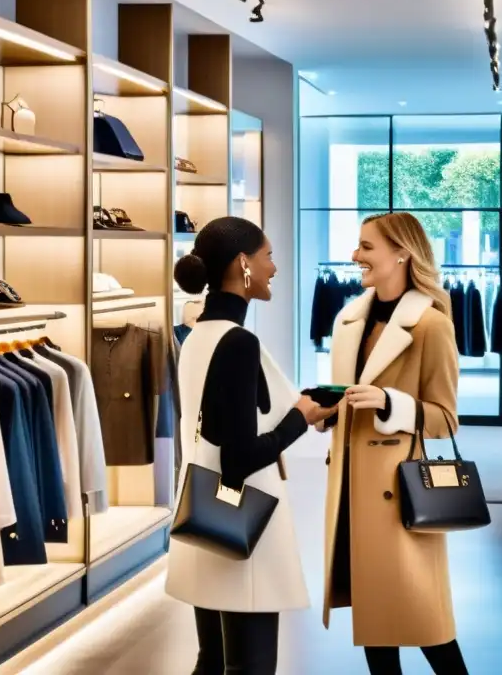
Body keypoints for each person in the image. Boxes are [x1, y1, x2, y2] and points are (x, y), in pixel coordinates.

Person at [165, 216, 332, 675]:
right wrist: (300, 419)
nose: (274, 268)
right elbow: (238, 458)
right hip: (244, 527)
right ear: (244, 264)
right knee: (248, 667)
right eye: (268, 256)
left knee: (214, 661)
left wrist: (297, 408)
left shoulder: (197, 335)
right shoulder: (238, 342)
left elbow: (219, 427)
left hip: (204, 515)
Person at [318, 212, 469, 675]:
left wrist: (390, 403)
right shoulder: (350, 318)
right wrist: (328, 410)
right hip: (351, 488)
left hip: (399, 492)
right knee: (376, 626)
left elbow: (445, 419)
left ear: (401, 252)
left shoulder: (429, 325)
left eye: (366, 247)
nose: (354, 255)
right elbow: (350, 397)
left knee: (427, 624)